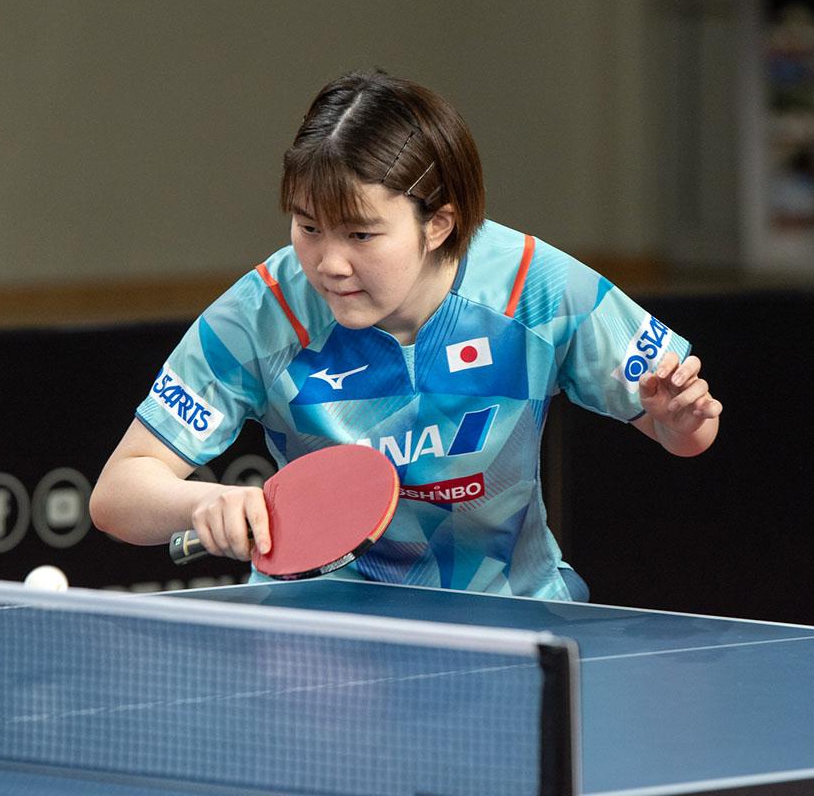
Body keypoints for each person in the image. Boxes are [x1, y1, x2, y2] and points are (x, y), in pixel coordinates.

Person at [89, 70, 721, 601]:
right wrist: (205, 503)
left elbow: (686, 434)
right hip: (322, 637)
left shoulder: (537, 288)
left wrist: (677, 422)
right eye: (308, 228)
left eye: (360, 235)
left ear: (438, 224)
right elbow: (117, 497)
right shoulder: (261, 316)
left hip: (514, 617)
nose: (329, 263)